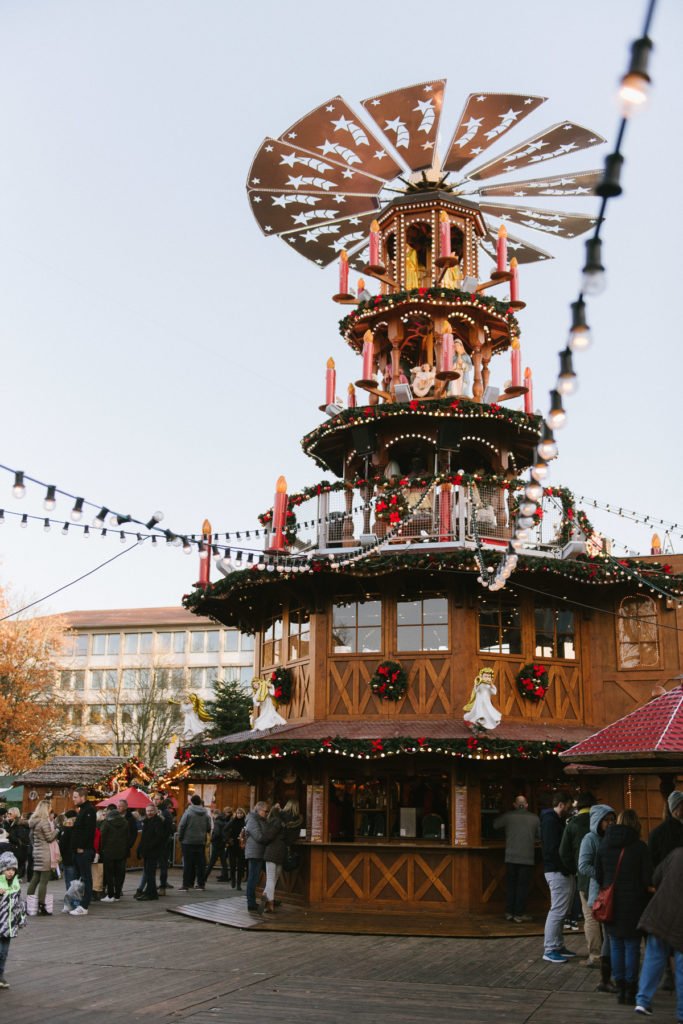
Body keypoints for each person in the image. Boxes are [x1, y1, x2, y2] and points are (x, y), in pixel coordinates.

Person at [595, 808, 652, 1005]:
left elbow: (599, 875)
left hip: (610, 905)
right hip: (635, 904)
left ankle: (620, 988)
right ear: (636, 824)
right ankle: (631, 989)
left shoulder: (604, 845)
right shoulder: (640, 847)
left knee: (616, 945)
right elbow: (647, 879)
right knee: (632, 946)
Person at [635, 846, 683, 1020]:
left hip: (660, 913)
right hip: (680, 924)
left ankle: (642, 1000)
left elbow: (655, 878)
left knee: (653, 957)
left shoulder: (677, 853)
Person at [578, 803, 617, 992]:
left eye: (612, 819)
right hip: (597, 890)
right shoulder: (590, 839)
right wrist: (603, 874)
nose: (609, 823)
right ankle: (598, 958)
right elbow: (583, 865)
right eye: (606, 820)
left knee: (609, 930)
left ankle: (607, 964)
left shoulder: (613, 838)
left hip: (611, 889)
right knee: (598, 924)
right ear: (597, 821)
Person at [559, 792, 596, 962]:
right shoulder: (602, 822)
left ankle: (595, 954)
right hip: (606, 875)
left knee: (590, 916)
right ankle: (609, 952)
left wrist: (575, 868)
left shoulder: (572, 824)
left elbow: (563, 852)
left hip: (584, 876)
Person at [540, 790, 576, 963]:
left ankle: (557, 944)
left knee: (561, 910)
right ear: (561, 804)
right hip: (556, 870)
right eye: (568, 805)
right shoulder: (551, 822)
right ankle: (550, 948)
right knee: (558, 910)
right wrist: (565, 866)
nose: (570, 809)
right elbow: (553, 849)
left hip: (558, 869)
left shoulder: (554, 821)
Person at [493, 795, 540, 923]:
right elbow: (540, 836)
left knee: (510, 886)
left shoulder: (508, 816)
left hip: (511, 857)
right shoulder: (535, 818)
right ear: (526, 805)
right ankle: (519, 913)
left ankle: (509, 912)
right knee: (522, 887)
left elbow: (495, 825)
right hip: (527, 858)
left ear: (514, 804)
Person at [0, 852, 27, 990]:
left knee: (4, 952)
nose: (10, 873)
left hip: (9, 925)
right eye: (7, 869)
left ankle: (1, 975)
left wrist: (21, 918)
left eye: (13, 870)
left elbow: (19, 903)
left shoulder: (15, 884)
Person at [26, 799, 57, 916]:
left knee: (35, 879)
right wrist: (58, 830)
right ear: (46, 809)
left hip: (37, 852)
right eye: (49, 808)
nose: (50, 809)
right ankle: (41, 905)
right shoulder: (44, 822)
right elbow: (49, 838)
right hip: (45, 853)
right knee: (44, 881)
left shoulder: (34, 821)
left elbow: (32, 838)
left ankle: (29, 904)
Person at [244, 801, 275, 913]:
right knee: (253, 878)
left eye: (268, 811)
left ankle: (269, 899)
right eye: (265, 811)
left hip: (261, 852)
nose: (267, 813)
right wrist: (271, 836)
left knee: (269, 877)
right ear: (258, 810)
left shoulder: (261, 820)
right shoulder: (252, 819)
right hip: (255, 853)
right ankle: (251, 903)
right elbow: (259, 837)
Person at [70, 787, 97, 916]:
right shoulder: (83, 810)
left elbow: (89, 831)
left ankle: (84, 905)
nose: (73, 799)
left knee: (86, 877)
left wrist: (82, 846)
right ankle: (78, 902)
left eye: (75, 797)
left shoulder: (89, 810)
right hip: (78, 849)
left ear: (82, 797)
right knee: (79, 877)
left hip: (84, 850)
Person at [177, 795, 211, 892]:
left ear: (191, 802)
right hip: (200, 841)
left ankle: (186, 884)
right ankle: (201, 884)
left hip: (188, 841)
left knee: (188, 864)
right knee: (200, 864)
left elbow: (182, 826)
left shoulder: (188, 812)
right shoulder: (205, 814)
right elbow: (208, 827)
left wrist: (181, 837)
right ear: (200, 802)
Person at [99, 804, 130, 902]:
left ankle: (110, 895)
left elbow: (102, 837)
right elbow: (127, 837)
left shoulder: (107, 823)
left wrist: (101, 849)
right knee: (119, 874)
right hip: (121, 852)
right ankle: (117, 895)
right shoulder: (125, 823)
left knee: (109, 874)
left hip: (109, 852)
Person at [136, 805, 167, 901]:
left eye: (151, 811)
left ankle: (151, 893)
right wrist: (139, 849)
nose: (149, 812)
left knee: (150, 873)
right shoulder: (146, 821)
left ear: (155, 811)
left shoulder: (157, 822)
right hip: (147, 851)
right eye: (148, 811)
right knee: (148, 872)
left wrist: (148, 847)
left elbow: (159, 837)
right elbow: (144, 838)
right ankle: (150, 892)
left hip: (153, 851)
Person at [463, 668, 501, 732]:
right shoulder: (480, 684)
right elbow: (476, 690)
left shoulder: (489, 685)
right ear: (482, 676)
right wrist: (477, 684)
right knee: (479, 711)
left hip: (486, 701)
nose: (487, 678)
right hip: (479, 701)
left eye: (489, 676)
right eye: (485, 676)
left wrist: (491, 685)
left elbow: (494, 692)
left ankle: (487, 725)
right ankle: (478, 723)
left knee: (489, 711)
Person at [207, 807, 232, 881]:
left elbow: (217, 833)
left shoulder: (217, 821)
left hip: (217, 843)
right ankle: (225, 876)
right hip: (222, 843)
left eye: (213, 814)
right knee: (223, 861)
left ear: (216, 814)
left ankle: (204, 877)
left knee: (212, 862)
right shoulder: (224, 821)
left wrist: (212, 839)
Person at [5, 809, 29, 881]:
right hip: (14, 848)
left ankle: (18, 878)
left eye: (10, 813)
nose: (8, 815)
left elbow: (20, 839)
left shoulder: (19, 825)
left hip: (19, 849)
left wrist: (9, 835)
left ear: (15, 814)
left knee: (18, 864)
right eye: (8, 813)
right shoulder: (10, 823)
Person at [57, 810, 78, 891]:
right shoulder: (79, 827)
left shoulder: (67, 829)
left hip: (68, 857)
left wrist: (59, 854)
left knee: (69, 880)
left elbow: (62, 844)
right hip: (77, 856)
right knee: (75, 879)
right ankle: (76, 898)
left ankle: (70, 899)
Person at [227, 807, 246, 889]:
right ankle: (233, 880)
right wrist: (228, 840)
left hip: (241, 846)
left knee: (240, 866)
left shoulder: (245, 822)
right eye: (238, 813)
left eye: (241, 813)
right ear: (236, 814)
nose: (239, 815)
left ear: (243, 814)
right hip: (232, 845)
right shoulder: (232, 821)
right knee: (232, 865)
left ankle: (238, 884)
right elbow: (225, 830)